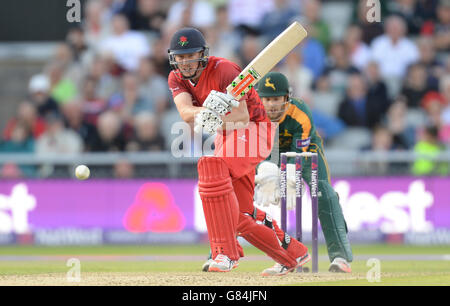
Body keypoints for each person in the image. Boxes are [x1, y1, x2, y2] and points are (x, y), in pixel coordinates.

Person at [167, 28, 310, 275]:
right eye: (180, 57)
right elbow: (186, 113)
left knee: (212, 166)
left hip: (255, 128)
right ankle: (292, 254)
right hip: (227, 135)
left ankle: (224, 252)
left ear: (202, 54)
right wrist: (208, 112)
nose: (185, 62)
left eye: (190, 55)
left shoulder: (225, 70)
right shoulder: (176, 78)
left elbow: (242, 117)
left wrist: (218, 115)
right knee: (240, 212)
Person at [252, 71, 353, 273]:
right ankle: (284, 258)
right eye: (267, 99)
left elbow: (300, 152)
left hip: (307, 154)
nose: (271, 105)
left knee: (324, 193)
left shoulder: (300, 112)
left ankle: (340, 257)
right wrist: (264, 172)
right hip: (271, 156)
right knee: (264, 199)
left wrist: (288, 177)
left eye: (276, 99)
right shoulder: (254, 115)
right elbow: (253, 150)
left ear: (286, 98)